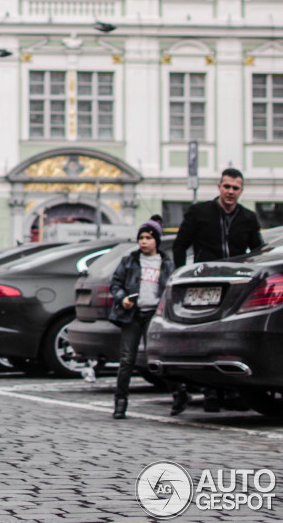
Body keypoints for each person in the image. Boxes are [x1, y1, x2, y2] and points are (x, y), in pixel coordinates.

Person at [168, 167, 264, 414]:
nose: (231, 192)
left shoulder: (248, 218)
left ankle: (231, 391)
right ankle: (210, 392)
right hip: (204, 282)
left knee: (229, 335)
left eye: (236, 188)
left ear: (241, 190)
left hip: (235, 283)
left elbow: (257, 251)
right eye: (227, 187)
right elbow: (180, 246)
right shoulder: (199, 212)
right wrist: (183, 275)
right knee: (206, 333)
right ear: (219, 187)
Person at [109, 219, 173, 419]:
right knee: (127, 359)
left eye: (148, 238)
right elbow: (116, 283)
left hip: (155, 315)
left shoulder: (166, 263)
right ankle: (120, 401)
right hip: (133, 315)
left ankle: (179, 393)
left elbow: (171, 287)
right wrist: (123, 298)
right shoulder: (129, 261)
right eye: (141, 238)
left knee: (158, 359)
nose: (144, 242)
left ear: (157, 240)